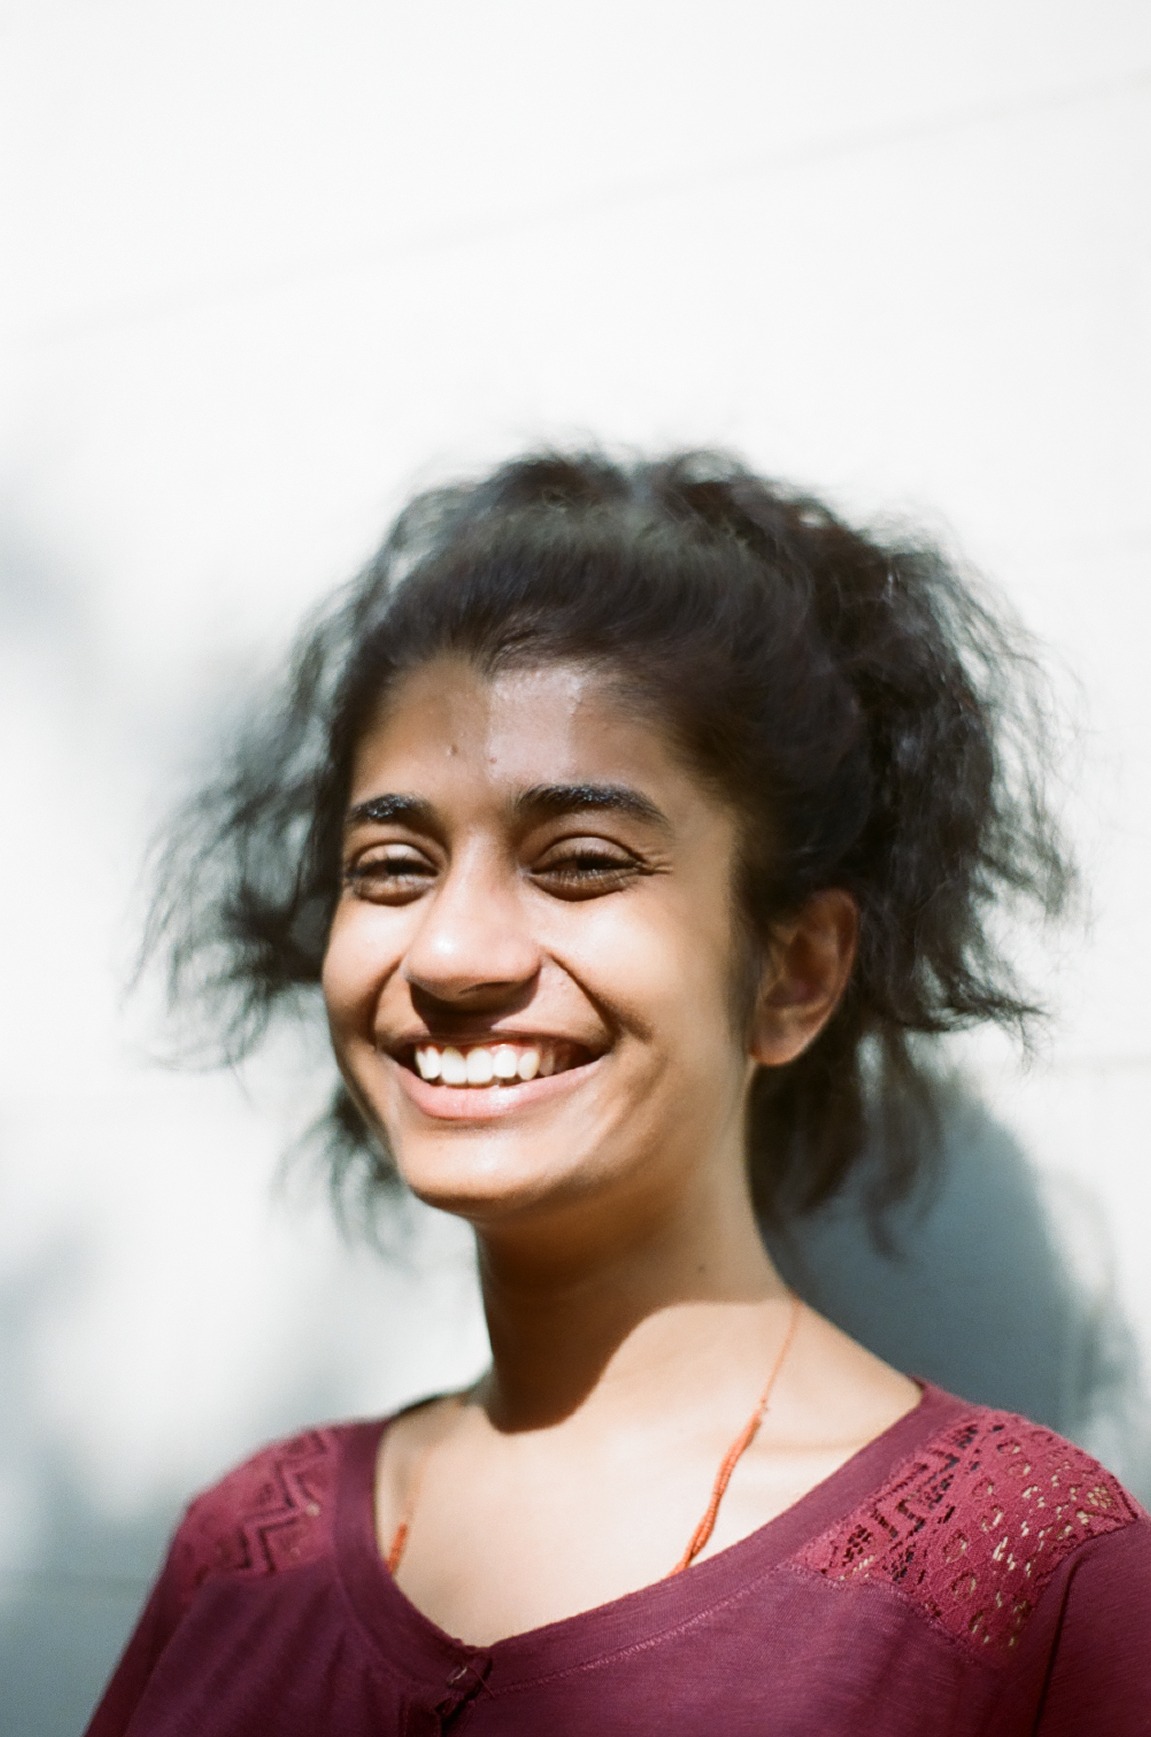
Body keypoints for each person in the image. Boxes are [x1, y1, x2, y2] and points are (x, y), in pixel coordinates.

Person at [86, 450, 1151, 1735]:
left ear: (792, 974)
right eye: (390, 866)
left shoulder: (1022, 1580)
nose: (448, 953)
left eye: (579, 862)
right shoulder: (244, 1545)